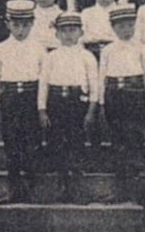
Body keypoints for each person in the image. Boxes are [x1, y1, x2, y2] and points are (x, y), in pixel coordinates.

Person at [38, 12, 100, 203]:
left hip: (77, 103)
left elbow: (94, 84)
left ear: (81, 32)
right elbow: (43, 83)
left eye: (72, 30)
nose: (68, 35)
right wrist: (42, 109)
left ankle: (76, 189)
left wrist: (91, 109)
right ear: (56, 34)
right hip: (56, 101)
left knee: (76, 144)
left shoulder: (87, 56)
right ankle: (61, 187)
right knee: (57, 144)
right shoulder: (51, 56)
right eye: (63, 31)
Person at [96, 4, 145, 202]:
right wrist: (101, 102)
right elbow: (101, 77)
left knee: (134, 141)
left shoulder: (142, 48)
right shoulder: (108, 50)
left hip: (135, 94)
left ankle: (136, 190)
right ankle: (119, 190)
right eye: (121, 26)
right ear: (113, 27)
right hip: (114, 95)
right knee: (117, 142)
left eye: (130, 25)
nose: (126, 30)